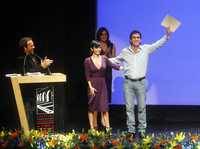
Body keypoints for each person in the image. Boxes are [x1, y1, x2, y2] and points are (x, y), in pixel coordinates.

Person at [109, 27, 172, 138]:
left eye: (138, 37)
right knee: (129, 108)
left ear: (141, 40)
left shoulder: (146, 49)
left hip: (141, 82)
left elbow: (158, 44)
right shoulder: (125, 51)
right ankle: (131, 131)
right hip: (128, 83)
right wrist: (101, 58)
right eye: (134, 37)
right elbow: (115, 60)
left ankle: (142, 130)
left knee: (141, 107)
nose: (136, 39)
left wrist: (166, 36)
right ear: (130, 40)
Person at [84, 40, 121, 131]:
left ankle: (108, 128)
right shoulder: (87, 61)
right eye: (96, 47)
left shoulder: (104, 58)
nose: (98, 49)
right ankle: (92, 128)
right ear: (92, 49)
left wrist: (124, 68)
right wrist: (90, 87)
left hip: (102, 85)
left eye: (99, 47)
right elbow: (87, 75)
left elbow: (114, 65)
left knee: (104, 107)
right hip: (92, 85)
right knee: (92, 108)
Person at [18, 37, 53, 129]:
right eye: (31, 46)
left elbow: (40, 71)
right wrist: (41, 66)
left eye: (33, 45)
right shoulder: (22, 59)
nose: (33, 47)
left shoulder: (35, 57)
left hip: (38, 92)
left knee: (37, 117)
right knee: (28, 117)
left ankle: (38, 135)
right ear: (25, 48)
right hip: (27, 93)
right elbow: (26, 73)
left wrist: (45, 66)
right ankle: (28, 138)